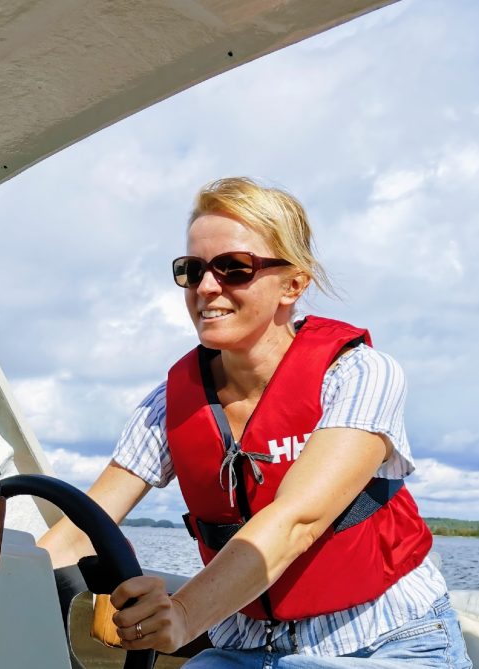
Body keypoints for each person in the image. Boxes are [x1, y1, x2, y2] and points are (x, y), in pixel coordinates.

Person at [39, 177, 472, 668]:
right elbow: (82, 527)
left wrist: (181, 613)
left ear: (293, 283)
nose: (206, 287)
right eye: (193, 269)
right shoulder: (167, 405)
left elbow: (297, 522)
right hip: (245, 650)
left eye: (233, 269)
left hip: (387, 645)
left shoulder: (358, 374)